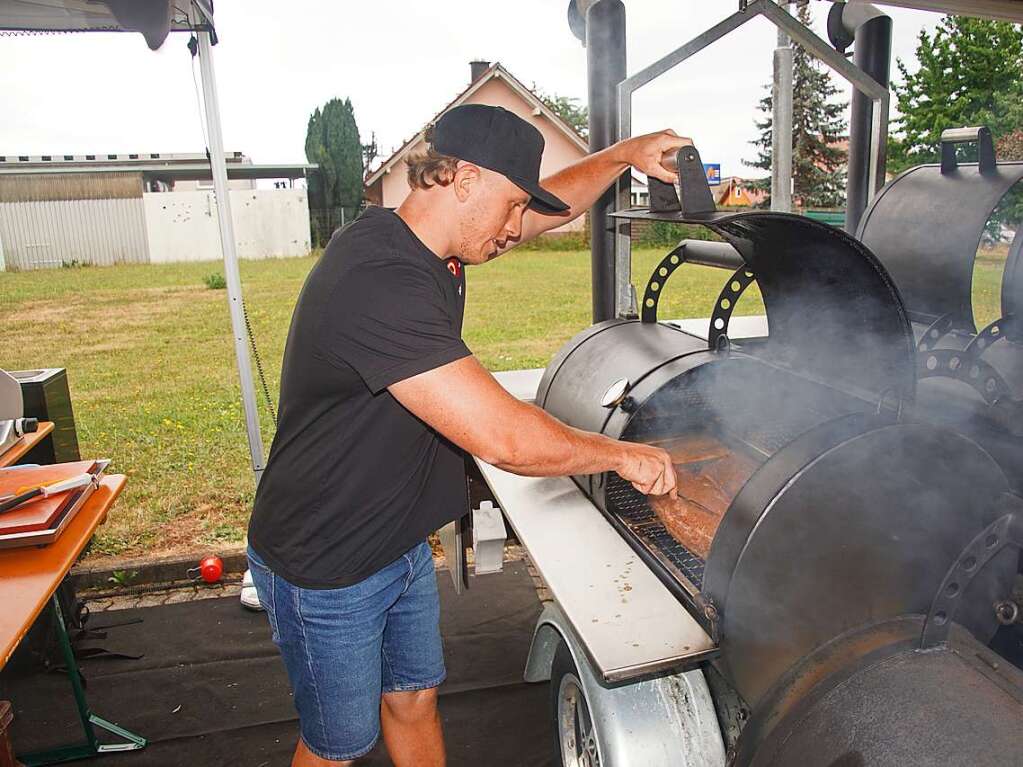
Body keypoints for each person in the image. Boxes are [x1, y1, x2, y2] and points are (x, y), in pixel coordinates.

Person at [247, 103, 686, 767]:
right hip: (326, 561)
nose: (518, 228)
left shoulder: (431, 246)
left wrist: (623, 153)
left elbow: (553, 206)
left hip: (393, 542)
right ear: (462, 180)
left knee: (414, 699)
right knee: (336, 745)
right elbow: (506, 438)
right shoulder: (378, 281)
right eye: (511, 205)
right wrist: (620, 454)